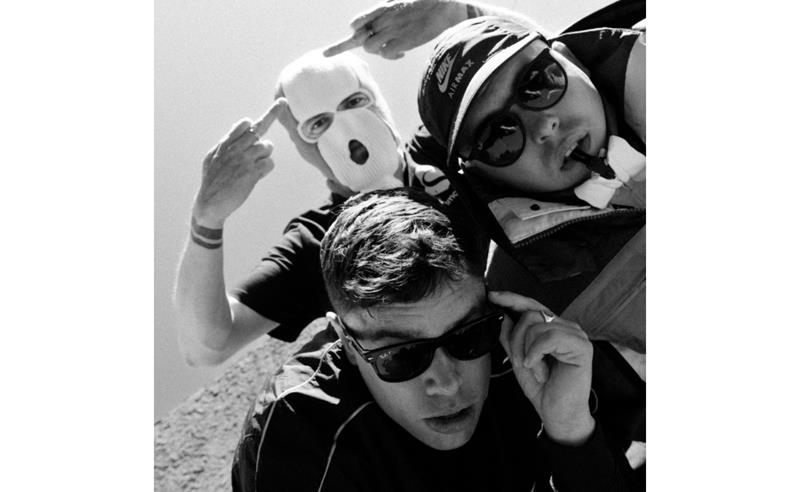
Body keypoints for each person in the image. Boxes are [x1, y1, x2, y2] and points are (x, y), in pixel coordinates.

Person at [231, 188, 641, 491]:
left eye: (468, 336)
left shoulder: (528, 356)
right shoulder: (299, 434)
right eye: (402, 356)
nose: (446, 383)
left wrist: (570, 430)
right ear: (347, 345)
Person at [327, 3, 646, 355]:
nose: (543, 127)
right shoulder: (529, 300)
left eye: (538, 83)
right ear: (482, 174)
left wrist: (461, 13)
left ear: (567, 56)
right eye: (498, 137)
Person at [174, 50, 456, 366]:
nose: (346, 128)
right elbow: (206, 347)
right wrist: (207, 219)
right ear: (302, 145)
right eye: (318, 124)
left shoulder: (450, 145)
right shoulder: (320, 242)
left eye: (354, 102)